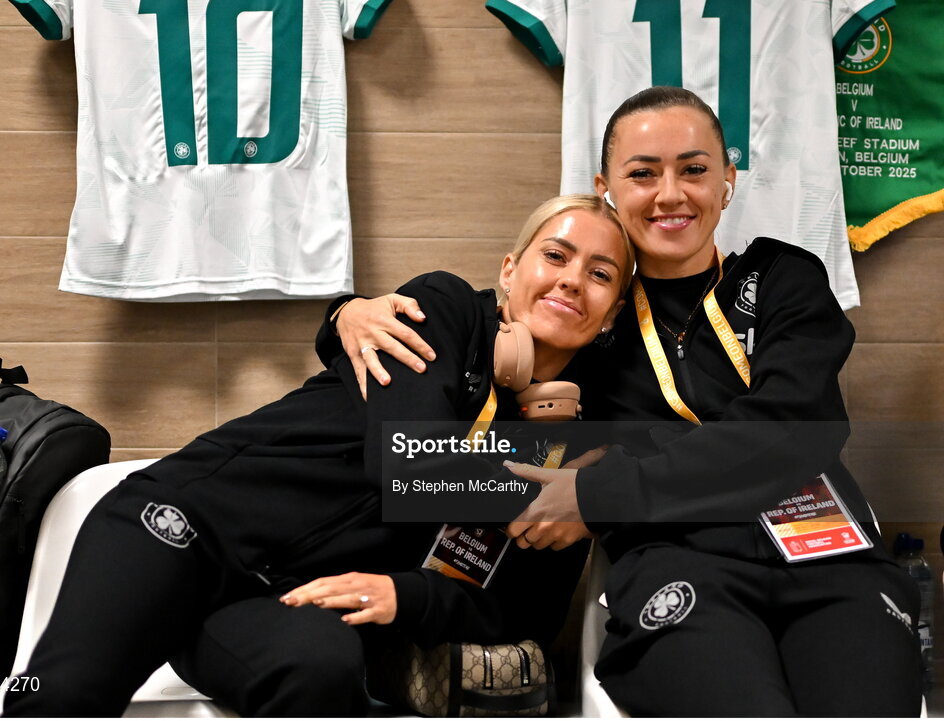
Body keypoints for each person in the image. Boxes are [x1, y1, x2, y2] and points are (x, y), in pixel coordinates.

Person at [329, 86, 924, 718]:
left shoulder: (781, 281)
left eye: (694, 170)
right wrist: (346, 312)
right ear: (608, 186)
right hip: (680, 564)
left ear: (727, 179)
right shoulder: (594, 320)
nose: (670, 194)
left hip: (830, 555)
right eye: (642, 174)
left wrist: (600, 492)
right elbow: (472, 321)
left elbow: (794, 432)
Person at [3, 193, 632, 718]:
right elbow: (406, 468)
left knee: (321, 668)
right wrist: (565, 489)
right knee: (59, 697)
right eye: (555, 255)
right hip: (187, 528)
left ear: (612, 315)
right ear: (509, 270)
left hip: (280, 605)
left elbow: (524, 609)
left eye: (600, 274)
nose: (572, 279)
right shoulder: (436, 312)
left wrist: (403, 594)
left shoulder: (578, 447)